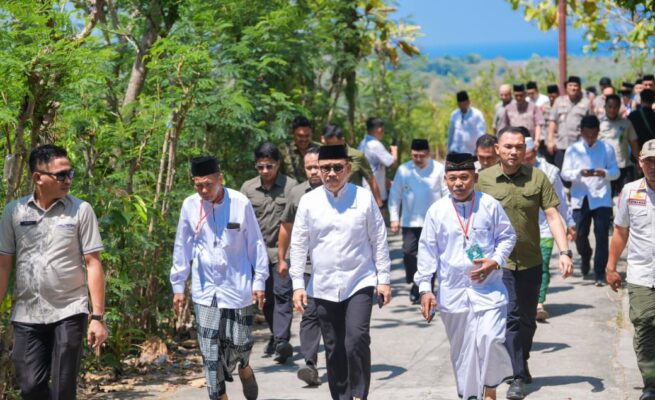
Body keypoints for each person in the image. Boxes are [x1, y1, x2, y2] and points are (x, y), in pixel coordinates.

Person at [0, 144, 108, 400]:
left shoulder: (81, 210)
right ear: (38, 177)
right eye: (61, 175)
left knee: (63, 388)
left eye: (70, 173)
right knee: (30, 386)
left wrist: (98, 317)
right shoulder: (14, 211)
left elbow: (93, 263)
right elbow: (3, 265)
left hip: (69, 310)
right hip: (27, 313)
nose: (68, 180)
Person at [477, 126, 574, 400]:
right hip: (499, 263)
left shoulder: (538, 177)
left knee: (528, 320)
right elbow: (469, 220)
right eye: (508, 146)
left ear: (526, 149)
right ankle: (516, 376)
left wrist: (565, 252)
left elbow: (553, 215)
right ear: (497, 149)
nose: (513, 152)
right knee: (512, 316)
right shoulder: (483, 180)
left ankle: (522, 359)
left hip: (531, 260)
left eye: (519, 147)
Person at [290, 144, 392, 400]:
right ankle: (342, 396)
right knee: (334, 346)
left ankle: (359, 394)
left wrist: (384, 279)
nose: (332, 173)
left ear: (347, 168)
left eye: (337, 167)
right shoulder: (309, 202)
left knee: (356, 339)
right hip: (322, 286)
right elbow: (299, 244)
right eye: (326, 168)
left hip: (360, 281)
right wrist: (298, 285)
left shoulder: (363, 198)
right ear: (318, 169)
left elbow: (379, 239)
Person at [416, 152, 516, 400]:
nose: (458, 183)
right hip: (453, 293)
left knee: (490, 338)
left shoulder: (489, 205)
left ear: (475, 178)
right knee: (463, 351)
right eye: (453, 178)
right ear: (445, 180)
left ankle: (490, 388)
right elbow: (427, 251)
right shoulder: (437, 211)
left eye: (464, 177)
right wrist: (425, 289)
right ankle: (471, 396)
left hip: (488, 289)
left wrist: (495, 261)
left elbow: (507, 236)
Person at [171, 156, 268, 400]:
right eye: (198, 185)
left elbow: (255, 243)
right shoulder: (190, 206)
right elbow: (182, 246)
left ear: (220, 179)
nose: (204, 191)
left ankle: (244, 367)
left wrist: (259, 281)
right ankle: (219, 395)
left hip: (236, 286)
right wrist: (178, 286)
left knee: (240, 342)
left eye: (208, 185)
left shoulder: (240, 203)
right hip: (205, 290)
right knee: (209, 351)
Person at [607, 139, 655, 400]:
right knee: (645, 324)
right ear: (640, 162)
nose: (653, 166)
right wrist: (611, 267)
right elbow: (620, 232)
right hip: (641, 274)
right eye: (649, 161)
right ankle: (651, 383)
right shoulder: (630, 191)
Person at [240, 143, 297, 363]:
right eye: (260, 167)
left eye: (269, 166)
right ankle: (276, 335)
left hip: (283, 252)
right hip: (256, 254)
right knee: (267, 299)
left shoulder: (291, 187)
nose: (265, 171)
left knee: (282, 294)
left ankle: (282, 341)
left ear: (278, 164)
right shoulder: (248, 189)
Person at [277, 146, 323, 386]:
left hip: (335, 266)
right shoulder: (297, 194)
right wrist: (282, 258)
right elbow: (286, 227)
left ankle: (342, 361)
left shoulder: (339, 191)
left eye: (317, 167)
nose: (314, 172)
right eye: (309, 168)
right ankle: (310, 364)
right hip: (306, 266)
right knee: (310, 313)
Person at [561, 115, 619, 285]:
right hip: (581, 197)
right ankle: (585, 255)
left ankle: (600, 272)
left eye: (594, 134)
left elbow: (616, 172)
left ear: (598, 132)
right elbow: (564, 173)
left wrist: (604, 173)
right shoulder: (573, 150)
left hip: (602, 197)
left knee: (602, 236)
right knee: (579, 235)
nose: (591, 138)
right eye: (587, 134)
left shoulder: (607, 148)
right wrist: (579, 173)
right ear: (581, 132)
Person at [522, 138, 576, 322]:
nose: (525, 161)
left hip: (545, 227)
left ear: (535, 153)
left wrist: (569, 222)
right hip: (520, 230)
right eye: (522, 157)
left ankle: (539, 303)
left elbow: (561, 200)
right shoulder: (511, 170)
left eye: (528, 157)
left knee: (542, 265)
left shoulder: (550, 172)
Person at [388, 139, 446, 303]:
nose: (418, 159)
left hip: (434, 222)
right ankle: (416, 283)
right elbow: (395, 195)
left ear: (428, 154)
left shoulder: (439, 169)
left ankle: (427, 288)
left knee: (431, 256)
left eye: (421, 155)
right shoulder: (404, 170)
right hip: (410, 221)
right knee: (408, 253)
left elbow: (446, 193)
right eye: (415, 155)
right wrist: (394, 218)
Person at [321, 123, 383, 207]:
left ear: (342, 141)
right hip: (329, 205)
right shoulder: (321, 156)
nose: (331, 149)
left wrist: (380, 206)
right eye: (328, 145)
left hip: (353, 205)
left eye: (334, 145)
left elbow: (372, 181)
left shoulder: (357, 156)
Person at [547, 76, 592, 169]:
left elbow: (591, 125)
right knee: (560, 172)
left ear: (580, 87)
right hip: (560, 145)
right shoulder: (559, 101)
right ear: (566, 87)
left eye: (575, 85)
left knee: (577, 172)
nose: (573, 88)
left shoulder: (586, 103)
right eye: (570, 85)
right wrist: (550, 140)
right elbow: (552, 121)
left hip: (579, 146)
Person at [599, 94, 640, 197]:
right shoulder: (599, 124)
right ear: (605, 107)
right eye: (610, 107)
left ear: (619, 107)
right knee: (607, 198)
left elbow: (634, 143)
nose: (612, 110)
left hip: (624, 167)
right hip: (606, 168)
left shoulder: (626, 123)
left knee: (627, 197)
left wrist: (639, 162)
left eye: (615, 107)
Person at [358, 117, 398, 206]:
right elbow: (392, 164)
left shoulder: (362, 143)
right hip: (375, 194)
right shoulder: (375, 145)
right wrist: (394, 151)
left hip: (364, 191)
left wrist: (385, 180)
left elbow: (372, 168)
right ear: (379, 130)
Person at [280, 116, 319, 182]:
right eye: (300, 136)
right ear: (293, 134)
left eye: (307, 136)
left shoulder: (320, 149)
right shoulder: (283, 150)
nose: (304, 139)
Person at [539, 84, 560, 162]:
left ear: (558, 95)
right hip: (547, 137)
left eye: (553, 96)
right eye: (549, 96)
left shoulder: (562, 105)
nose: (551, 98)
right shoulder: (544, 106)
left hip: (559, 137)